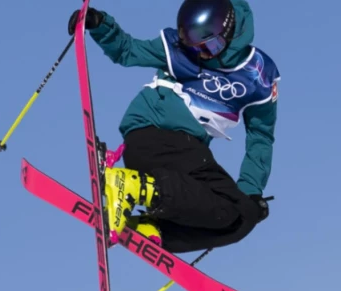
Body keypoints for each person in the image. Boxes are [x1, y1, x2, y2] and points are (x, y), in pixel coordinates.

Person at [67, 0, 280, 254]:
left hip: (179, 163)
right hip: (155, 135)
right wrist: (99, 25)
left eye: (211, 46)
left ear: (231, 31)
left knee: (242, 217)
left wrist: (251, 190)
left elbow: (260, 135)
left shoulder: (258, 75)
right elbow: (127, 50)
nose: (202, 55)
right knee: (237, 209)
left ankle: (150, 228)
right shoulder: (176, 49)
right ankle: (134, 187)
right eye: (195, 48)